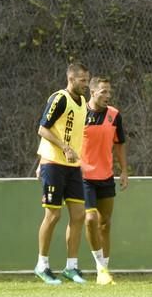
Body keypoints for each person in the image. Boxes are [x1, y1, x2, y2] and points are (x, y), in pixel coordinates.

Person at [34, 62, 106, 285]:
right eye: (82, 80)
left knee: (78, 215)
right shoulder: (59, 98)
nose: (85, 84)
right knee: (53, 215)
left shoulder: (83, 102)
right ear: (71, 79)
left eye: (87, 80)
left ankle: (71, 267)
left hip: (72, 167)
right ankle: (42, 265)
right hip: (54, 163)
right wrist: (61, 148)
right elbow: (42, 128)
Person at [80, 76, 129, 285]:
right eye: (103, 92)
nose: (108, 96)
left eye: (109, 92)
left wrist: (124, 169)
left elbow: (119, 144)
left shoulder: (114, 115)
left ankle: (104, 270)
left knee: (105, 224)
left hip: (106, 175)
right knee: (90, 219)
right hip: (82, 176)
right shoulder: (80, 112)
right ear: (92, 92)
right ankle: (100, 267)